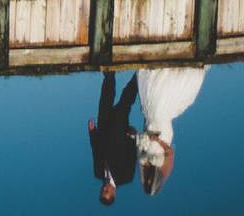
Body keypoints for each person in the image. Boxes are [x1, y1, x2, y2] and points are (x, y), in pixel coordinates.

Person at [132, 66, 209, 195]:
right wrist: (159, 140)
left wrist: (143, 137)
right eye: (151, 183)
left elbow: (141, 142)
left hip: (150, 125)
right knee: (160, 107)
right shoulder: (162, 166)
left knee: (153, 102)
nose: (149, 180)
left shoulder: (143, 163)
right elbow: (169, 152)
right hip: (162, 133)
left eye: (147, 183)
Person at [88, 72, 138, 206]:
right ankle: (138, 78)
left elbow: (95, 151)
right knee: (124, 104)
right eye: (107, 192)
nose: (104, 188)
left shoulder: (98, 173)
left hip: (103, 129)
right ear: (113, 193)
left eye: (102, 191)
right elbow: (132, 156)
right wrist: (133, 137)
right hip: (119, 132)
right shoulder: (126, 177)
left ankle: (109, 74)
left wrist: (92, 132)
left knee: (105, 100)